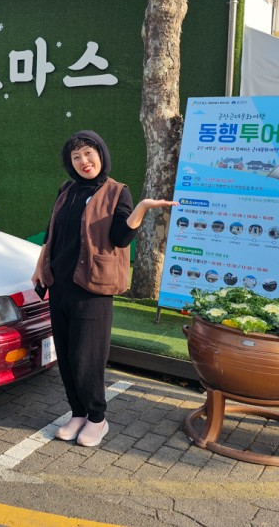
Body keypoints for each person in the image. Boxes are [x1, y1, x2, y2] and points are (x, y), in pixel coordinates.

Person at [31, 130, 177, 448]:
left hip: (92, 288)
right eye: (76, 156)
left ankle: (98, 419)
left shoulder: (116, 192)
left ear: (101, 153)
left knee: (87, 358)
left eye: (88, 153)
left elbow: (121, 238)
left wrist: (140, 210)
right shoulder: (67, 189)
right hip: (60, 285)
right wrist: (40, 265)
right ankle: (78, 413)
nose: (84, 161)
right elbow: (51, 230)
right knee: (67, 357)